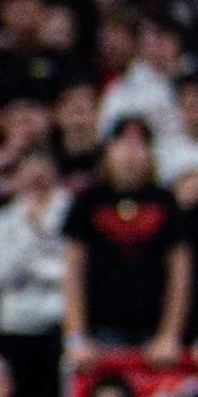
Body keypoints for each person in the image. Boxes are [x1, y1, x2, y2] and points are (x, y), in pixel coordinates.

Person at [61, 117, 187, 367]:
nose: (131, 154)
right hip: (99, 336)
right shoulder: (88, 202)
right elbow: (73, 272)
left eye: (140, 145)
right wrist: (76, 336)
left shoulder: (165, 202)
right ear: (107, 151)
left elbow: (180, 272)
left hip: (153, 337)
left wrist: (170, 334)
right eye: (122, 145)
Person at [0, 146, 70, 397]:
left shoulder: (71, 211)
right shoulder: (1, 220)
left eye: (42, 176)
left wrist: (33, 267)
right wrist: (31, 230)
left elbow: (72, 271)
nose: (36, 183)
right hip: (16, 324)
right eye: (29, 177)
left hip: (60, 320)